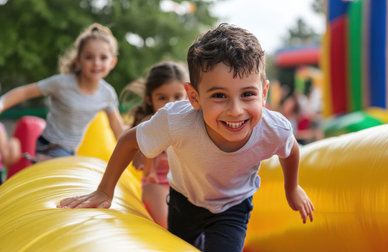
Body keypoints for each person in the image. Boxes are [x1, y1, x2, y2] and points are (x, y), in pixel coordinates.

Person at [58, 23, 314, 252]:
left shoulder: (274, 128)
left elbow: (290, 150)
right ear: (193, 97)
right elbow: (129, 141)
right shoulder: (177, 121)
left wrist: (292, 189)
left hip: (234, 206)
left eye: (248, 94)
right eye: (219, 96)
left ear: (264, 92)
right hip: (184, 201)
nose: (235, 110)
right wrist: (105, 191)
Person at [0, 23, 125, 161]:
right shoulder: (62, 83)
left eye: (103, 58)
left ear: (112, 62)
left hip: (70, 150)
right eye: (89, 57)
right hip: (49, 145)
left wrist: (134, 151)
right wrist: (1, 104)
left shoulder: (107, 93)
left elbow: (117, 128)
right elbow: (25, 92)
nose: (96, 63)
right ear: (78, 60)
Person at [124, 61, 188, 229]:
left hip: (184, 183)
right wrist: (148, 162)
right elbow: (137, 162)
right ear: (149, 99)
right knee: (168, 226)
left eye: (177, 96)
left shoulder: (191, 122)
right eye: (162, 98)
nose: (170, 104)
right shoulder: (149, 124)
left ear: (188, 95)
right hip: (156, 182)